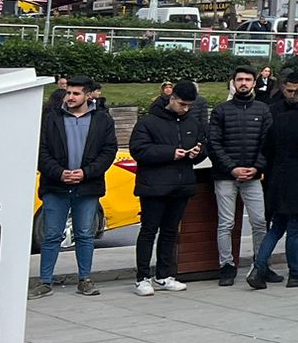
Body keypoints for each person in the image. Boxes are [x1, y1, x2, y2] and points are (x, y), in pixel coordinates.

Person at [32, 78, 117, 298]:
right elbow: (40, 151)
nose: (70, 97)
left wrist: (86, 172)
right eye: (68, 92)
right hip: (55, 185)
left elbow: (108, 151)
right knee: (51, 235)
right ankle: (44, 282)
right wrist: (59, 172)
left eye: (76, 93)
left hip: (87, 186)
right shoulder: (51, 118)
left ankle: (85, 280)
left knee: (85, 234)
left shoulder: (102, 120)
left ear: (88, 95)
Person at [129, 80, 207, 296]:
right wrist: (170, 153)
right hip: (153, 185)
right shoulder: (149, 122)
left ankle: (164, 274)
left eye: (190, 105)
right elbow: (139, 150)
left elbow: (203, 145)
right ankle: (142, 277)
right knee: (148, 230)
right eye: (182, 104)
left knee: (171, 232)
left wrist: (197, 153)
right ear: (171, 98)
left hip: (181, 184)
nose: (186, 108)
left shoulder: (192, 122)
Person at [247, 86, 298, 288]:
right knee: (295, 228)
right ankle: (296, 272)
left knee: (277, 227)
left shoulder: (279, 119)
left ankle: (259, 267)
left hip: (278, 180)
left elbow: (266, 149)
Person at [207, 66, 272, 285]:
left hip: (253, 176)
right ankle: (226, 266)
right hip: (225, 176)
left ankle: (260, 265)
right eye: (239, 79)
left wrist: (257, 167)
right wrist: (232, 168)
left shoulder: (263, 110)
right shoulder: (221, 110)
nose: (243, 83)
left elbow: (268, 142)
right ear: (233, 82)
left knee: (260, 222)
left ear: (255, 83)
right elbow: (213, 143)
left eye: (248, 79)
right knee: (226, 223)